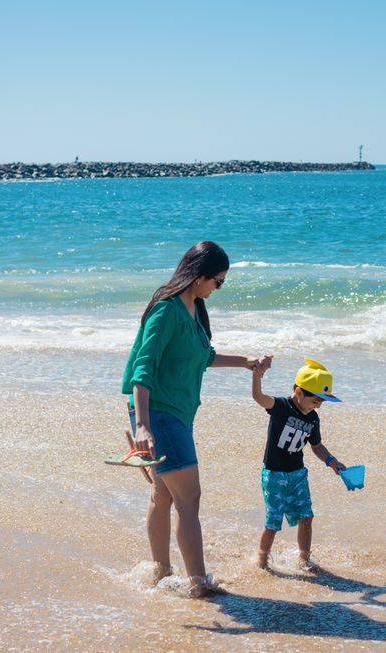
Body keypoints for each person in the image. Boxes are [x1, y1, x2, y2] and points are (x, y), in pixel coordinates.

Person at [121, 240, 271, 598]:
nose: (218, 288)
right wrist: (142, 425)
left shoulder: (193, 309)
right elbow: (143, 369)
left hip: (175, 414)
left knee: (162, 495)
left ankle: (160, 573)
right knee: (189, 498)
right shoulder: (166, 310)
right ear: (200, 276)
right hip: (158, 413)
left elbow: (201, 357)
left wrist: (246, 361)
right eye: (218, 282)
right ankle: (198, 584)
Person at [251, 358, 346, 573]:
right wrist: (256, 374)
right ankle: (261, 559)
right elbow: (258, 397)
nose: (319, 405)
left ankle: (304, 559)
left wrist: (331, 461)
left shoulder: (313, 419)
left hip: (297, 475)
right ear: (298, 392)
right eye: (315, 400)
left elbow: (317, 445)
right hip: (274, 475)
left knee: (307, 516)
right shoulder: (281, 407)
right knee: (273, 522)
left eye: (322, 401)